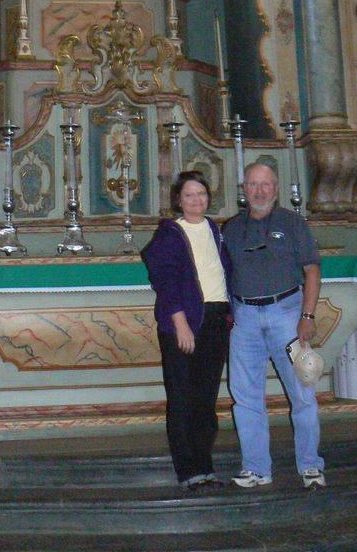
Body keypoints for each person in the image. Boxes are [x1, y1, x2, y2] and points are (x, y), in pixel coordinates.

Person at [225, 162, 326, 490]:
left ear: (276, 188)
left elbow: (311, 269)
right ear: (244, 189)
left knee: (303, 393)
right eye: (253, 184)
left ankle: (310, 465)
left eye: (265, 184)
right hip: (245, 318)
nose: (259, 190)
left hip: (286, 313)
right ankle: (256, 468)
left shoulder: (293, 223)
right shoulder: (230, 229)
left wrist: (307, 316)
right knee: (245, 397)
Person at [142, 170, 232, 492]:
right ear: (178, 201)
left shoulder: (216, 230)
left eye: (202, 194)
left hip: (215, 320)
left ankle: (205, 464)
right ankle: (188, 470)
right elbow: (164, 282)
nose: (197, 200)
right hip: (183, 323)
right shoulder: (171, 234)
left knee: (205, 399)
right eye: (189, 195)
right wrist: (181, 324)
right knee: (182, 398)